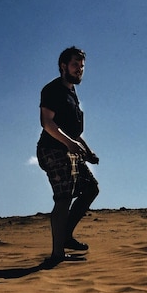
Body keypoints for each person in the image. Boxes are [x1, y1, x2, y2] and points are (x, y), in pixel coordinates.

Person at [37, 46, 99, 267]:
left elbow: (74, 131)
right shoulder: (52, 90)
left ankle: (66, 235)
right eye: (75, 65)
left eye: (81, 67)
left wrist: (87, 149)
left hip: (69, 148)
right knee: (63, 198)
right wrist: (70, 143)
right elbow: (47, 123)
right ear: (63, 66)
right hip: (52, 150)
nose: (79, 70)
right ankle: (57, 254)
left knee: (91, 188)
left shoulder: (72, 92)